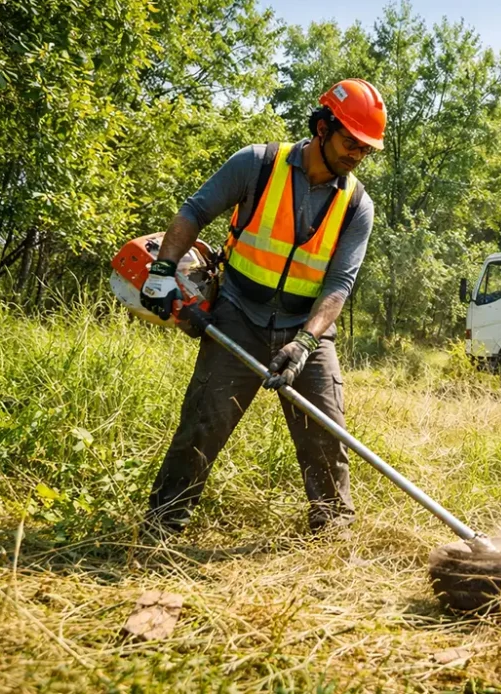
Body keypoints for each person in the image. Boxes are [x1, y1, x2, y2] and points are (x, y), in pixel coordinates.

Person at [137, 78, 385, 539]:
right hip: (236, 314)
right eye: (351, 141)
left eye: (366, 149)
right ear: (322, 127)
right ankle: (160, 530)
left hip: (306, 326)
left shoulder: (357, 205)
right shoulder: (257, 164)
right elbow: (194, 212)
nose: (357, 154)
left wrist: (307, 342)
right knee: (202, 425)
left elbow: (340, 283)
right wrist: (162, 270)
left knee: (325, 434)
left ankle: (332, 536)